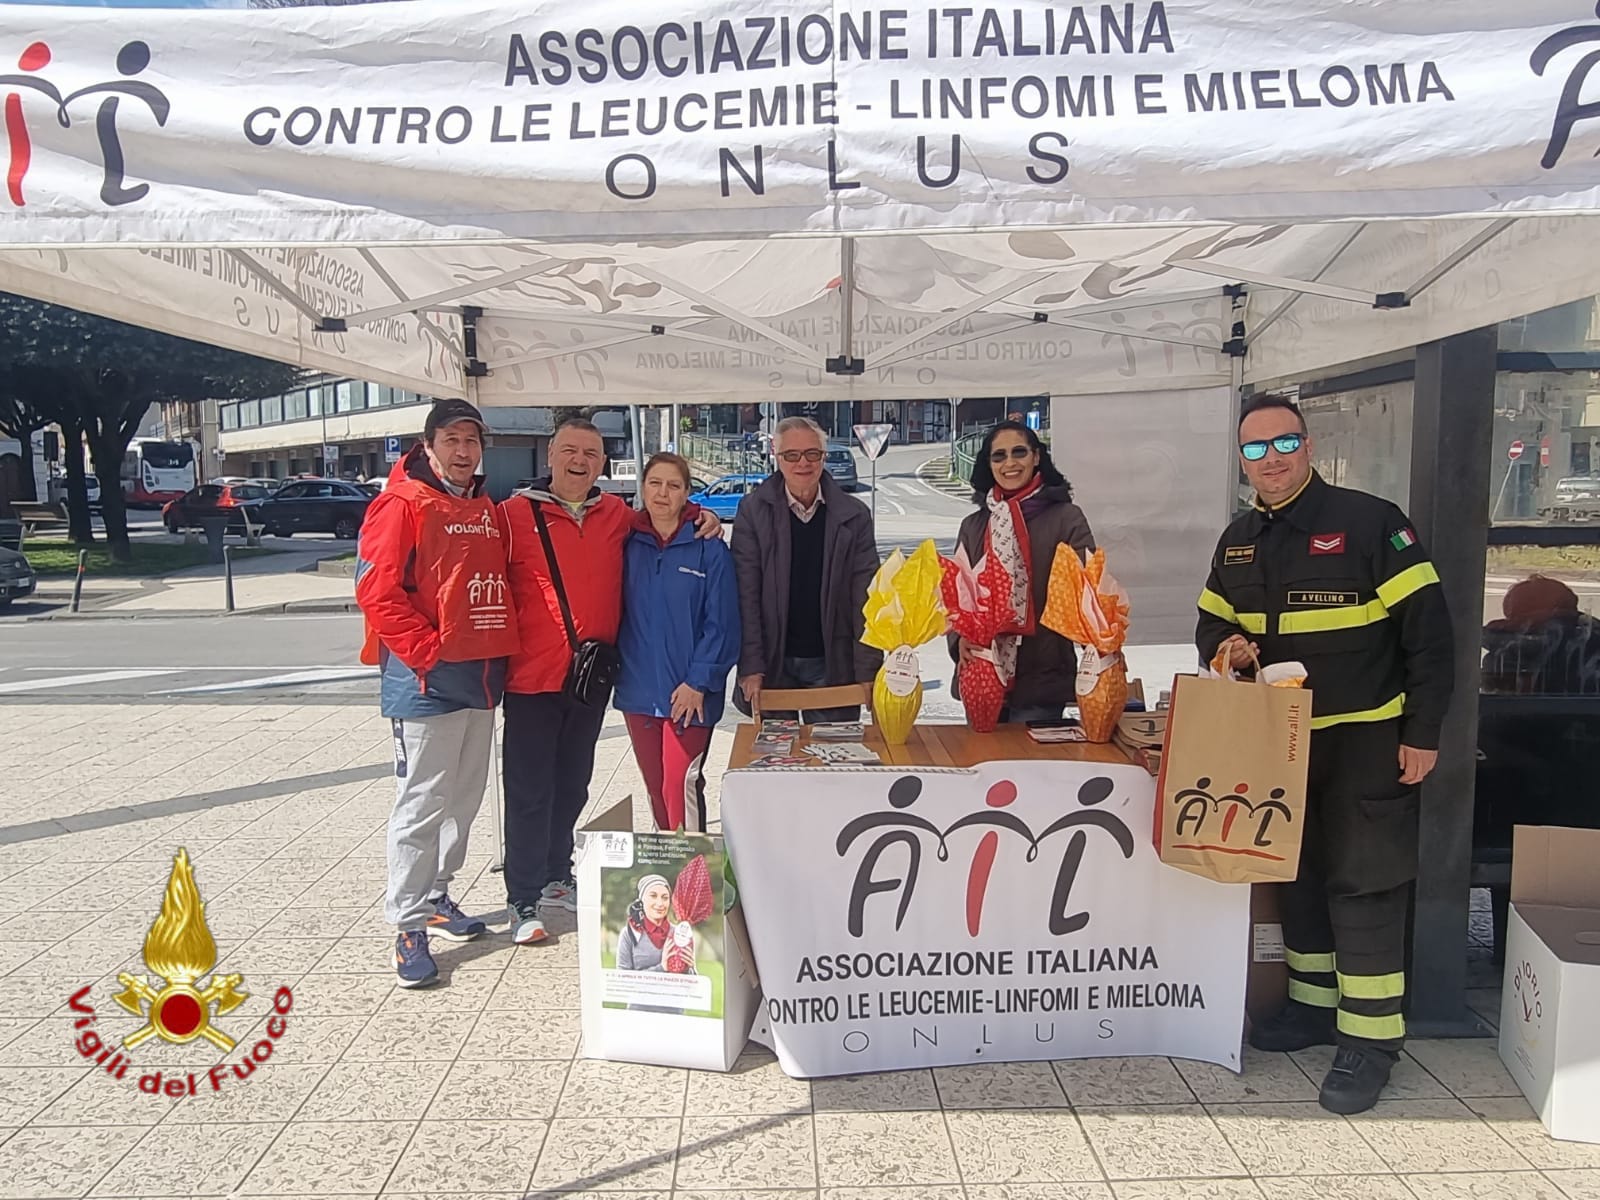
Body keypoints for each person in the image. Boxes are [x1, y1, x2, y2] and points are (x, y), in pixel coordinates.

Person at [1196, 394, 1454, 1114]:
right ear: (1242, 461)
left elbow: (1430, 634)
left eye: (1284, 442)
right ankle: (1313, 1006)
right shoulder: (1239, 540)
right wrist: (1226, 649)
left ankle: (1370, 1041)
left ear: (1308, 447)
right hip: (1281, 744)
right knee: (1300, 875)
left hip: (1367, 739)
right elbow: (1211, 622)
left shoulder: (1371, 522)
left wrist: (1423, 732)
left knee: (1364, 884)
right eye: (1255, 448)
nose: (1271, 458)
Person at [499, 421, 719, 946]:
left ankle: (556, 875)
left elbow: (667, 513)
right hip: (531, 677)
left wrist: (701, 515)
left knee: (573, 781)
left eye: (591, 453)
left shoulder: (617, 516)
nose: (579, 460)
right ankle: (522, 897)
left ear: (602, 462)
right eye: (569, 450)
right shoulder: (512, 515)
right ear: (550, 454)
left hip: (588, 679)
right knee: (529, 789)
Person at [355, 399, 519, 989]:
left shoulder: (483, 506)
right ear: (428, 446)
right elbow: (376, 591)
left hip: (479, 678)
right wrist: (428, 651)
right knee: (421, 803)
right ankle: (407, 923)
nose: (462, 451)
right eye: (451, 440)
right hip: (426, 682)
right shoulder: (400, 504)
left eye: (471, 441)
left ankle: (436, 895)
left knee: (463, 800)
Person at [615, 453, 740, 833]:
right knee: (655, 787)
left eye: (673, 485)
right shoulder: (626, 541)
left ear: (687, 493)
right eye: (655, 483)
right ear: (643, 488)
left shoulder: (708, 547)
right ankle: (667, 864)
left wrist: (698, 682)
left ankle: (691, 869)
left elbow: (723, 623)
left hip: (689, 693)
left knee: (679, 784)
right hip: (639, 689)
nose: (662, 493)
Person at [731, 416, 881, 721]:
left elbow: (867, 599)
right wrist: (751, 665)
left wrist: (869, 669)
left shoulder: (855, 516)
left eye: (812, 453)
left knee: (832, 750)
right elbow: (745, 595)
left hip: (833, 663)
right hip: (772, 662)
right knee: (775, 752)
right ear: (777, 456)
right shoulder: (752, 512)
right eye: (792, 455)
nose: (803, 463)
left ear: (823, 456)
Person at [953, 420, 1096, 724]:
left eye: (1019, 452)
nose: (1010, 463)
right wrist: (959, 639)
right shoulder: (973, 526)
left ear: (1036, 457)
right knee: (982, 753)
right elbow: (955, 595)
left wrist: (1099, 649)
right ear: (989, 465)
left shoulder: (1066, 519)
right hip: (981, 674)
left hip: (1042, 676)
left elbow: (1089, 592)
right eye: (999, 456)